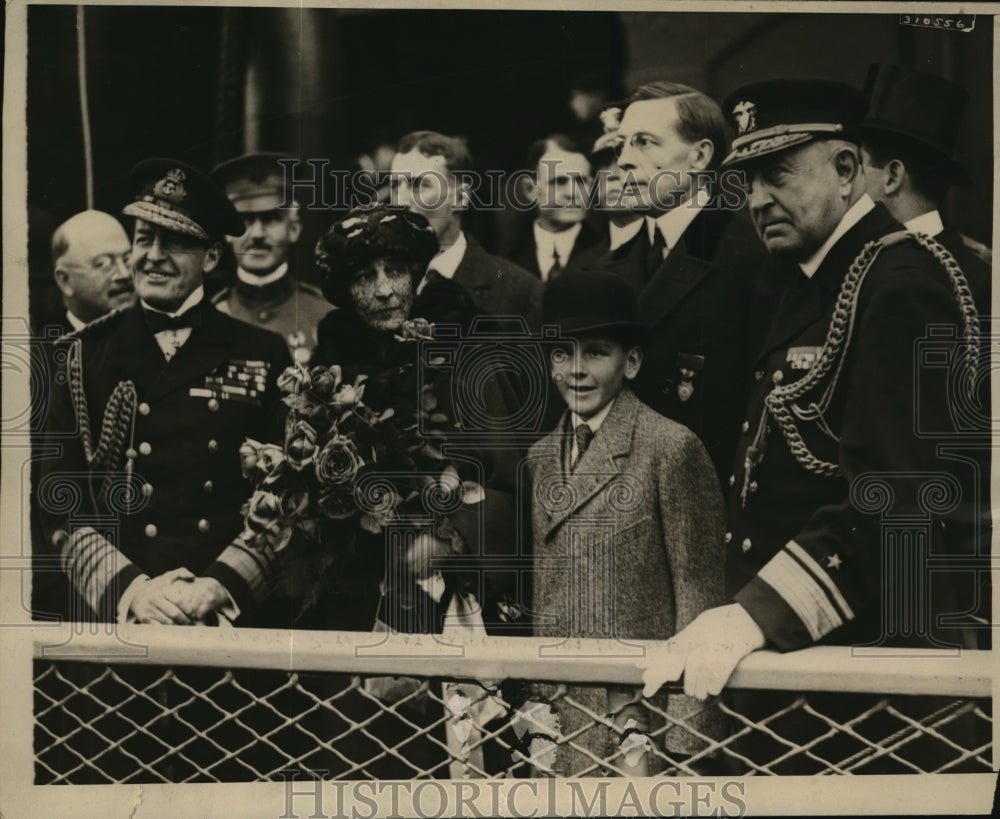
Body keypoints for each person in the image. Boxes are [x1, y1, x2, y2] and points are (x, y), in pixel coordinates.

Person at [642, 79, 984, 773]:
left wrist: (754, 613)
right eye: (745, 180)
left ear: (849, 170)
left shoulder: (901, 281)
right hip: (803, 666)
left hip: (873, 675)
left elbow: (900, 497)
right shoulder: (811, 279)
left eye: (778, 173)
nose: (758, 198)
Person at [304, 204, 528, 777]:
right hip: (360, 602)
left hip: (460, 599)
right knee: (364, 762)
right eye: (363, 277)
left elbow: (507, 479)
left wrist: (447, 544)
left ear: (417, 273)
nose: (383, 291)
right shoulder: (330, 371)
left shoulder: (464, 348)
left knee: (467, 761)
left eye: (394, 271)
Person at [35, 158, 292, 626]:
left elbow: (288, 496)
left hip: (223, 622)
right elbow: (57, 495)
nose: (153, 255)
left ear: (211, 258)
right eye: (143, 239)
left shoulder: (263, 352)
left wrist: (221, 586)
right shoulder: (83, 356)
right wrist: (132, 591)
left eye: (174, 242)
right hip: (121, 620)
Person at [524, 270, 726, 777]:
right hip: (557, 721)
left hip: (638, 724)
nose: (576, 370)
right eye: (563, 353)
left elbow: (699, 600)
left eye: (596, 352)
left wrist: (686, 743)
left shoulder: (669, 447)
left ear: (631, 361)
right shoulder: (541, 456)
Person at [590, 81, 774, 484]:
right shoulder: (609, 269)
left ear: (700, 156)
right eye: (622, 145)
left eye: (643, 143)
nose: (623, 161)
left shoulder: (751, 257)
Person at [858, 64, 990, 310]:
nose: (847, 185)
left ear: (892, 177)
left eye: (858, 167)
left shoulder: (980, 283)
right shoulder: (978, 274)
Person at [388, 130, 543, 331]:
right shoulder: (376, 285)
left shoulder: (519, 291)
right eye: (394, 186)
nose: (399, 201)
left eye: (418, 185)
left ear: (460, 198)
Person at [211, 152, 334, 363]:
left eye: (271, 218)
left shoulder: (327, 318)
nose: (258, 234)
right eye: (245, 220)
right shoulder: (208, 318)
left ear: (294, 228)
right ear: (227, 232)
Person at [505, 134, 602, 281]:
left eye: (581, 181)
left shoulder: (606, 251)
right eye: (559, 181)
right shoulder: (503, 250)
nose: (573, 193)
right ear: (530, 190)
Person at [51, 210, 136, 333]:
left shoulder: (162, 337)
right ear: (65, 280)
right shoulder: (45, 350)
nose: (124, 274)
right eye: (103, 264)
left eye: (127, 259)